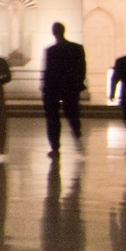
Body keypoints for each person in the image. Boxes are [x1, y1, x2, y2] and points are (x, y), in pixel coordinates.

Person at [40, 22, 86, 156]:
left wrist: (45, 87)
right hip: (65, 87)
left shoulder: (52, 50)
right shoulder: (76, 48)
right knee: (68, 115)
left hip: (57, 88)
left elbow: (48, 71)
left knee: (55, 118)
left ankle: (56, 147)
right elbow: (81, 68)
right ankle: (73, 135)